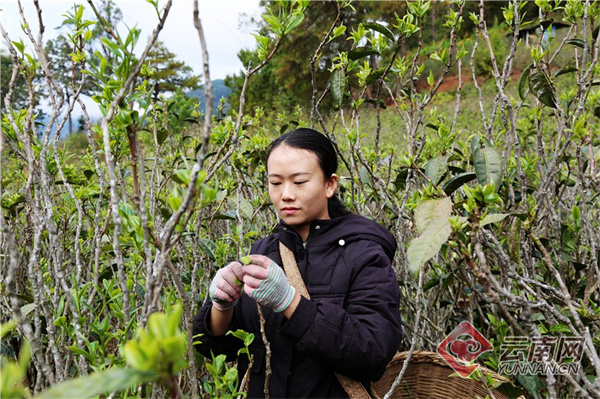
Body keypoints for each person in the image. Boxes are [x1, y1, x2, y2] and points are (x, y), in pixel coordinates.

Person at [193, 128, 402, 398]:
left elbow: (373, 352)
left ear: (330, 184)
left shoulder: (365, 255)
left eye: (299, 182)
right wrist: (221, 306)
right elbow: (218, 348)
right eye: (276, 183)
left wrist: (290, 303)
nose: (286, 195)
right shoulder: (264, 251)